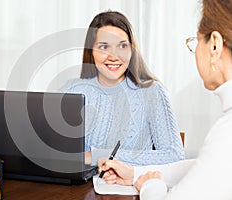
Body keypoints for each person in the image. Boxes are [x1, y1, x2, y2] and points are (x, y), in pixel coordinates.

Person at [98, 0, 232, 199]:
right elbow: (202, 167)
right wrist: (135, 173)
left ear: (215, 45)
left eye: (195, 42)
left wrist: (150, 185)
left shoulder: (226, 133)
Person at [61, 11, 184, 166]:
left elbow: (174, 155)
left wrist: (98, 156)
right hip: (79, 188)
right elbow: (51, 150)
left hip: (127, 188)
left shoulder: (151, 91)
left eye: (122, 46)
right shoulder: (72, 89)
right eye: (104, 46)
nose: (114, 56)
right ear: (91, 51)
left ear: (132, 50)